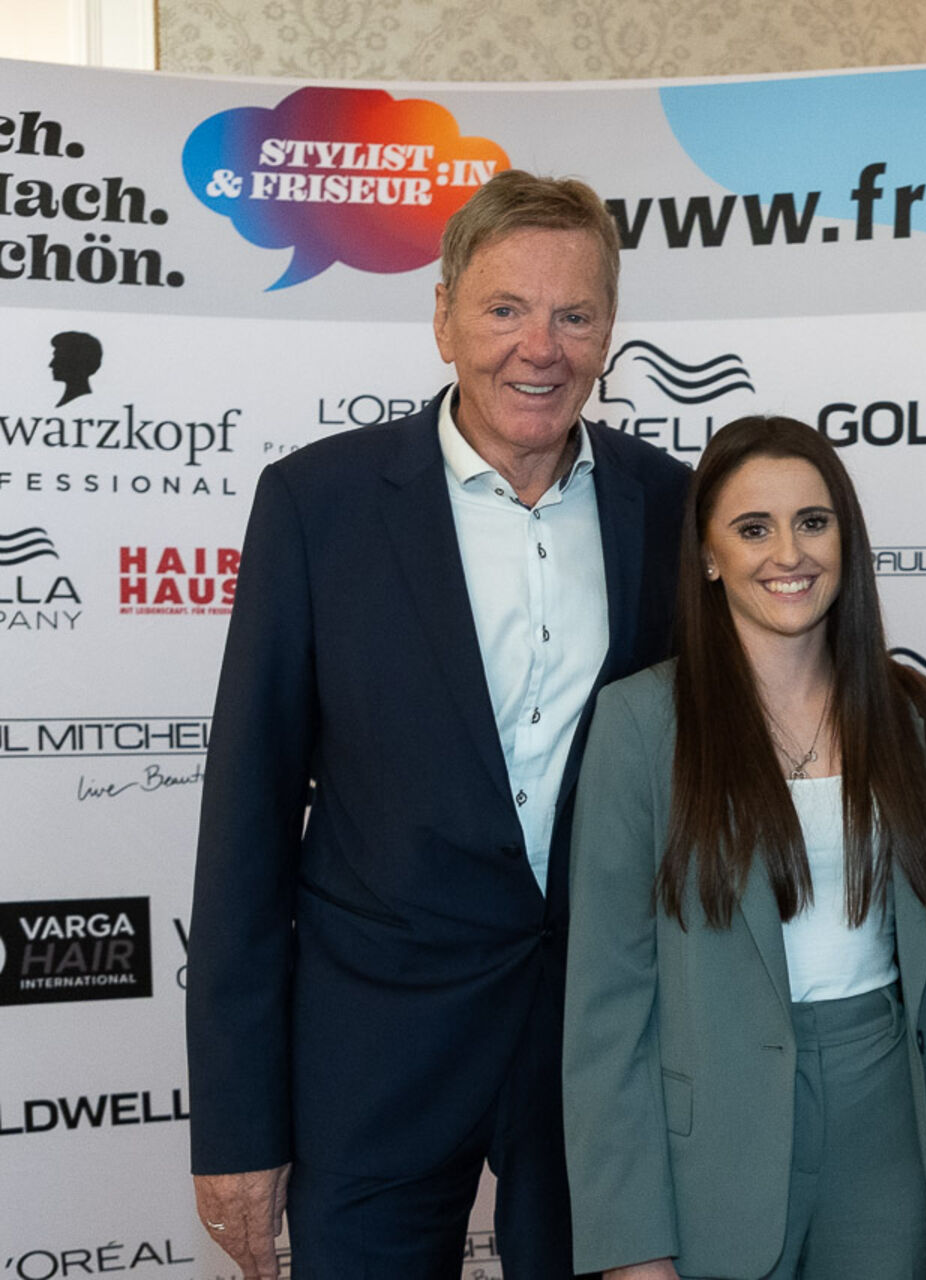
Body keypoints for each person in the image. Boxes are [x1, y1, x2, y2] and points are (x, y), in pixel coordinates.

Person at [185, 170, 694, 1278]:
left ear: (611, 329)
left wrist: (898, 729)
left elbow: (748, 711)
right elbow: (246, 824)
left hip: (596, 1049)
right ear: (444, 318)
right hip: (375, 1055)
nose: (539, 348)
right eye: (505, 308)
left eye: (574, 314)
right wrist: (234, 1123)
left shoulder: (670, 505)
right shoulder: (317, 506)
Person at [562, 415, 926, 1279]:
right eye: (753, 529)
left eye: (813, 522)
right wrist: (630, 1244)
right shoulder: (640, 724)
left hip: (889, 1133)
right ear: (709, 556)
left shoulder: (912, 716)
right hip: (713, 1150)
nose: (789, 553)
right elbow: (607, 1008)